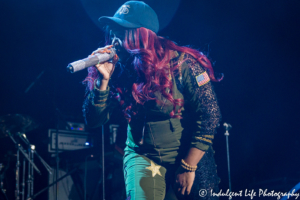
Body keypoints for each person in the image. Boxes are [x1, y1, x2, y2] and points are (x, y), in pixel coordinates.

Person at [82, 1, 222, 199]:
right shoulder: (118, 68)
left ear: (142, 35)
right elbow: (93, 120)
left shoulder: (182, 63)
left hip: (185, 154)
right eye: (114, 32)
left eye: (122, 32)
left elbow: (210, 114)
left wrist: (189, 165)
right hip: (142, 156)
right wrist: (103, 81)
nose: (115, 39)